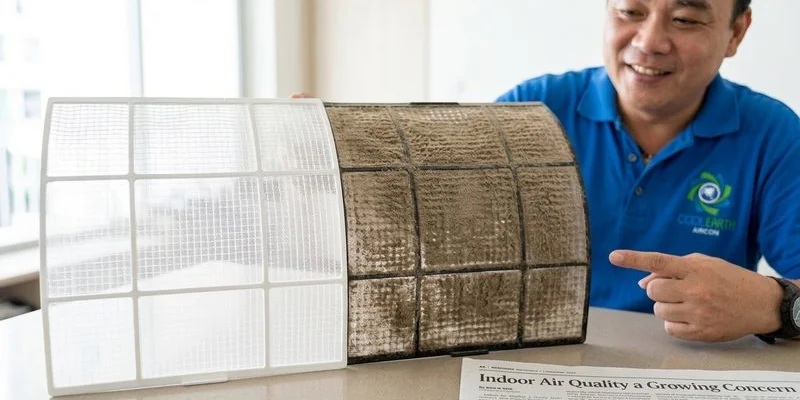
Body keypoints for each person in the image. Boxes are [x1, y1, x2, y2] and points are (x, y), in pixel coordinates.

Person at [495, 0, 800, 343]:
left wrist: (774, 304)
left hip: (696, 362)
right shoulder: (530, 113)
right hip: (539, 356)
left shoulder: (774, 135)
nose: (649, 42)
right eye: (630, 11)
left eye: (685, 19)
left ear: (736, 32)